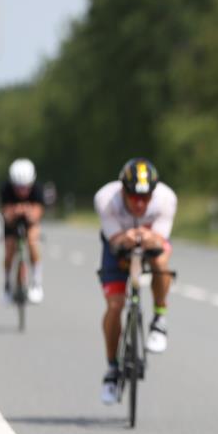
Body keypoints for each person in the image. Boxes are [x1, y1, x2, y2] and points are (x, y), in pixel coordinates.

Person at [95, 158, 178, 405]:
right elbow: (115, 242)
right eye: (134, 197)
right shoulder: (106, 199)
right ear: (123, 191)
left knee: (161, 263)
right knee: (115, 306)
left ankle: (160, 320)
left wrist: (147, 239)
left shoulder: (166, 199)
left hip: (150, 242)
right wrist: (127, 239)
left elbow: (160, 242)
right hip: (116, 245)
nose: (140, 203)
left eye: (146, 197)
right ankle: (111, 369)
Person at [1, 158, 45, 304]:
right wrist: (15, 212)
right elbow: (6, 215)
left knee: (32, 242)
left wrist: (28, 212)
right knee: (9, 250)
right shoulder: (5, 189)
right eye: (18, 187)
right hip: (11, 223)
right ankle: (7, 285)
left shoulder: (37, 189)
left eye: (25, 187)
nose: (22, 191)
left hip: (30, 222)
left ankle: (37, 283)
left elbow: (38, 213)